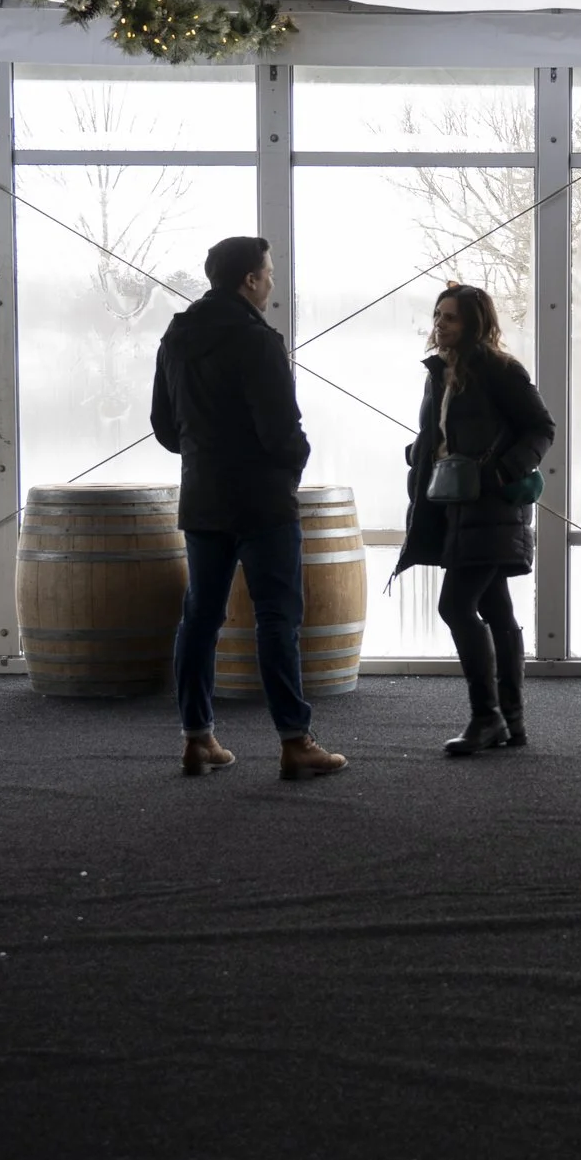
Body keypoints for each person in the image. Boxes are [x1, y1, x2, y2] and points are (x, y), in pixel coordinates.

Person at [151, 236, 347, 780]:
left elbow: (165, 428)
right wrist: (292, 464)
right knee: (277, 618)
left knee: (200, 619)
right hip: (262, 501)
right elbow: (280, 429)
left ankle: (197, 738)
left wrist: (205, 453)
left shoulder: (176, 338)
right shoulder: (259, 340)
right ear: (250, 280)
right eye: (269, 272)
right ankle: (295, 741)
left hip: (204, 498)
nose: (272, 281)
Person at [395, 283, 555, 756]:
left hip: (489, 507)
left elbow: (541, 428)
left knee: (455, 607)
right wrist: (422, 452)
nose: (440, 324)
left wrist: (501, 472)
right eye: (438, 315)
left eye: (451, 318)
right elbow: (444, 433)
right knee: (496, 610)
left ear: (475, 324)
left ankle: (487, 718)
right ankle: (511, 722)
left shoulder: (500, 369)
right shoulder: (439, 372)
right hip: (453, 505)